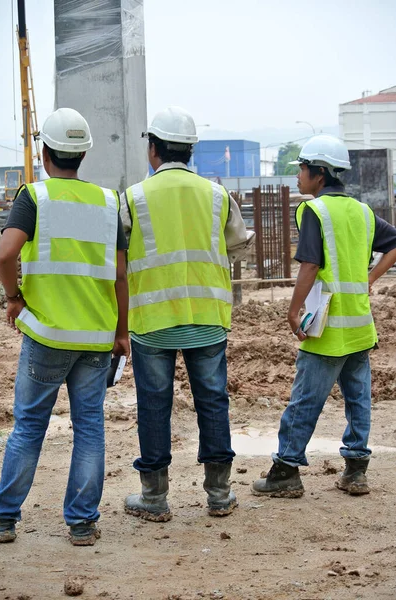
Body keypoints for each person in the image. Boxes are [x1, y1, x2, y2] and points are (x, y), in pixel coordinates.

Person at [0, 108, 129, 545]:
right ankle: (82, 522)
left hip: (48, 335)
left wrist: (14, 298)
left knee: (30, 426)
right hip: (95, 337)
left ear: (47, 152)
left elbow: (3, 255)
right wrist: (121, 333)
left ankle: (3, 518)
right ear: (83, 153)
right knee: (89, 427)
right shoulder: (110, 203)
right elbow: (121, 276)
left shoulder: (34, 197)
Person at [120, 106, 254, 521]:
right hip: (207, 317)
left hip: (153, 321)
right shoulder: (216, 195)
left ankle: (155, 498)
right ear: (191, 151)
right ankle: (219, 493)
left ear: (153, 148)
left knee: (154, 405)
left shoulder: (134, 197)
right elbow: (237, 242)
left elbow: (118, 254)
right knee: (213, 402)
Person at [252, 134, 396, 498]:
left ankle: (286, 469)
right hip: (360, 326)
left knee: (305, 401)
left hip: (327, 328)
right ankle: (356, 471)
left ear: (319, 173)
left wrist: (293, 307)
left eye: (301, 168)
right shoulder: (362, 212)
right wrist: (371, 278)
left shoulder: (315, 211)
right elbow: (394, 243)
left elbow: (311, 264)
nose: (297, 176)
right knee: (359, 399)